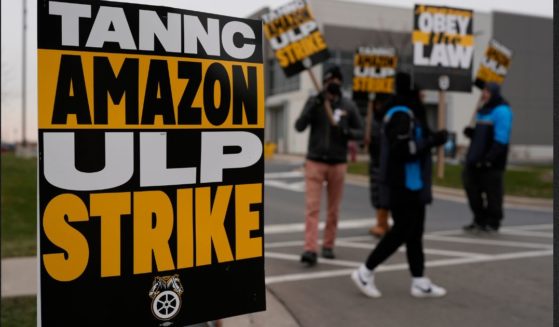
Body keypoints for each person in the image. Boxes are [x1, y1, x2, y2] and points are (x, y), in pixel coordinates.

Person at [351, 72, 448, 298]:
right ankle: (365, 272)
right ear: (412, 91)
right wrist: (432, 141)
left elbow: (416, 141)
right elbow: (402, 150)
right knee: (402, 231)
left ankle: (419, 280)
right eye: (420, 90)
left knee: (415, 233)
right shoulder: (401, 114)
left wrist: (435, 138)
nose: (424, 94)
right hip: (402, 184)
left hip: (412, 184)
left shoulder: (407, 112)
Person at [295, 66, 364, 266]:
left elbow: (361, 133)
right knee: (312, 208)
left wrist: (346, 132)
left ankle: (328, 244)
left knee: (333, 209)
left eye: (336, 81)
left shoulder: (348, 106)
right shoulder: (315, 102)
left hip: (337, 163)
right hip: (315, 161)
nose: (332, 85)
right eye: (329, 81)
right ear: (324, 83)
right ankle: (310, 248)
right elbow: (299, 126)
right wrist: (313, 105)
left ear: (341, 83)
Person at [462, 82, 513, 233]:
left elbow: (500, 140)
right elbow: (480, 136)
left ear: (494, 92)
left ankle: (493, 221)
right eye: (484, 90)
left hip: (492, 162)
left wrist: (488, 159)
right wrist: (471, 133)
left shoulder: (502, 111)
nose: (484, 94)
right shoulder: (483, 110)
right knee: (471, 189)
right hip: (475, 160)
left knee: (493, 194)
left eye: (487, 91)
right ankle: (479, 219)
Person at [364, 94, 391, 238]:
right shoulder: (371, 121)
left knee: (385, 194)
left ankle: (383, 223)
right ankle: (381, 222)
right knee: (377, 193)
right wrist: (365, 140)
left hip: (387, 161)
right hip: (375, 161)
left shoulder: (390, 119)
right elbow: (362, 138)